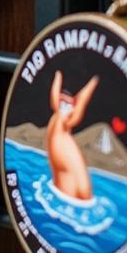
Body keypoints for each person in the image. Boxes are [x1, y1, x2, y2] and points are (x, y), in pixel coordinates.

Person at [46, 71, 99, 200]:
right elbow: (55, 98)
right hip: (62, 189)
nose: (64, 107)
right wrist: (58, 76)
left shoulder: (67, 119)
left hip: (76, 196)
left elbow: (81, 101)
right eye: (62, 102)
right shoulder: (58, 116)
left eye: (68, 105)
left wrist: (93, 83)